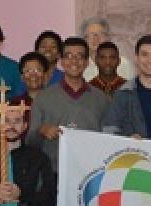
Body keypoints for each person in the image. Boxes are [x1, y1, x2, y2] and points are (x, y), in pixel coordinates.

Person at [30, 37, 109, 172]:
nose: (74, 61)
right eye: (68, 56)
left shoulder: (101, 98)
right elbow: (30, 143)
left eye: (79, 56)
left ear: (86, 62)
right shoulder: (43, 97)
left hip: (89, 173)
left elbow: (109, 140)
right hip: (52, 173)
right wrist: (42, 130)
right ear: (61, 61)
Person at [80, 17, 136, 82]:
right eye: (91, 35)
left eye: (100, 34)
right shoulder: (79, 66)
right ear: (84, 39)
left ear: (108, 38)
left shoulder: (124, 65)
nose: (96, 38)